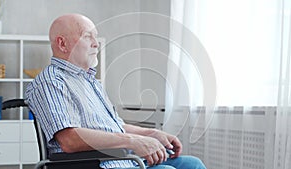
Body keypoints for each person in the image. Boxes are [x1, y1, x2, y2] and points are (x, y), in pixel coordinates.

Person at [25, 13, 206, 169]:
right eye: (88, 36)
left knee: (192, 164)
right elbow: (70, 140)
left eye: (96, 37)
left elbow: (115, 126)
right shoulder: (51, 81)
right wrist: (133, 141)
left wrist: (151, 134)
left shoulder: (89, 82)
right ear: (62, 44)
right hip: (97, 163)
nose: (96, 44)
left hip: (125, 160)